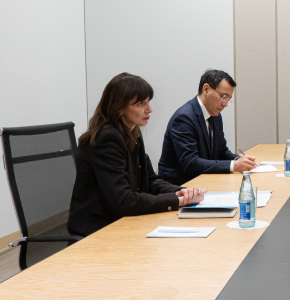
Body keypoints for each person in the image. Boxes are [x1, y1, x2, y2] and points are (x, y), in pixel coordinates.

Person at [69, 73, 205, 237]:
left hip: (121, 221)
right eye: (141, 103)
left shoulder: (132, 132)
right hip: (98, 229)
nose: (149, 109)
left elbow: (149, 179)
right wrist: (175, 200)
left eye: (148, 102)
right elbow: (123, 201)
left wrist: (182, 192)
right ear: (119, 108)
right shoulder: (107, 139)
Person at [158, 69, 258, 184]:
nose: (225, 104)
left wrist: (240, 160)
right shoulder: (184, 118)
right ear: (206, 89)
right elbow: (190, 164)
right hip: (180, 186)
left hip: (204, 182)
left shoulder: (215, 115)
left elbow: (221, 152)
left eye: (228, 99)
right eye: (223, 97)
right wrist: (233, 165)